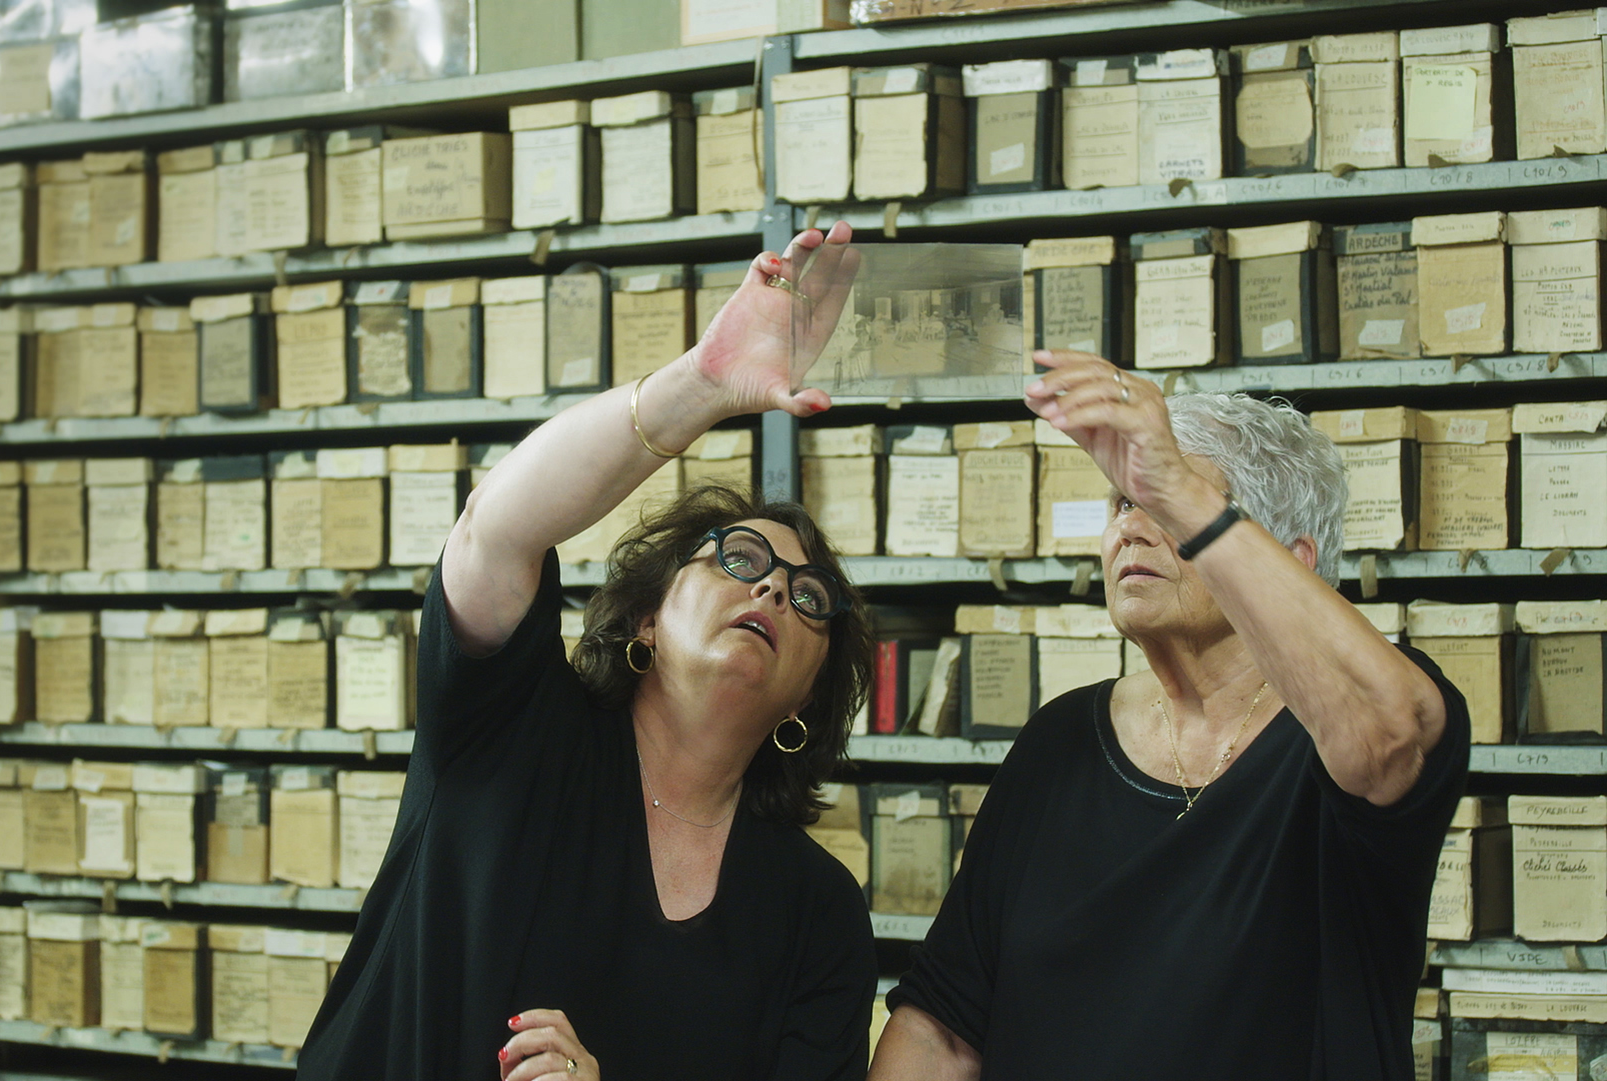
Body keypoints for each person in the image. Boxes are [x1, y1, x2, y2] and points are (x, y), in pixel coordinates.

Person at [297, 225, 879, 1081]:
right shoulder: (513, 727)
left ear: (806, 698)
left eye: (809, 598)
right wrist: (702, 383)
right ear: (645, 618)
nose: (770, 591)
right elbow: (493, 530)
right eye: (740, 559)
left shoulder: (816, 911)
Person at [869, 353, 1471, 1081]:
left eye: (1165, 502)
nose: (1131, 527)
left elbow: (1392, 734)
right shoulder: (1058, 741)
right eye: (1123, 502)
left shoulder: (1343, 734)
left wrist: (1178, 488)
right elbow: (942, 1026)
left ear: (1291, 561)